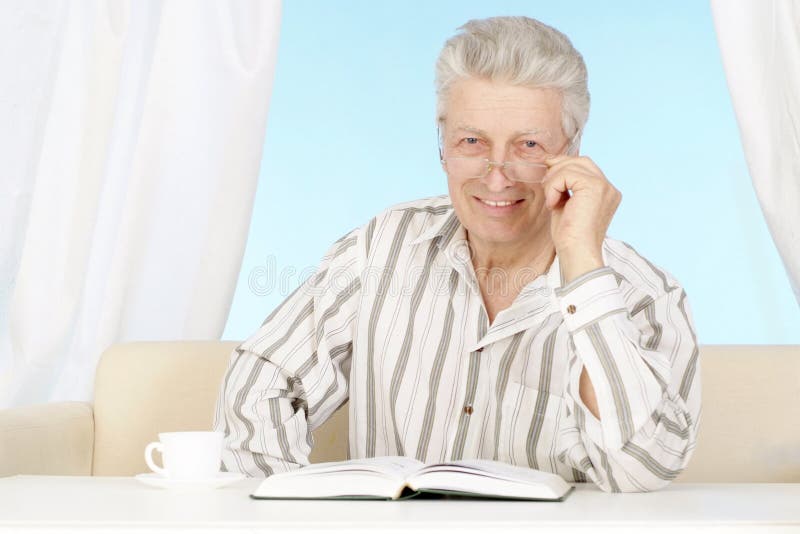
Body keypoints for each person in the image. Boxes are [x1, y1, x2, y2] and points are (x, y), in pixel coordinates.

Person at [213, 15, 701, 493]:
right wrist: (291, 510)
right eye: (472, 141)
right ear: (442, 145)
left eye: (528, 145)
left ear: (573, 149)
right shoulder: (380, 248)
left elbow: (643, 468)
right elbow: (260, 385)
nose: (496, 176)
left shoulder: (644, 296)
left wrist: (581, 264)